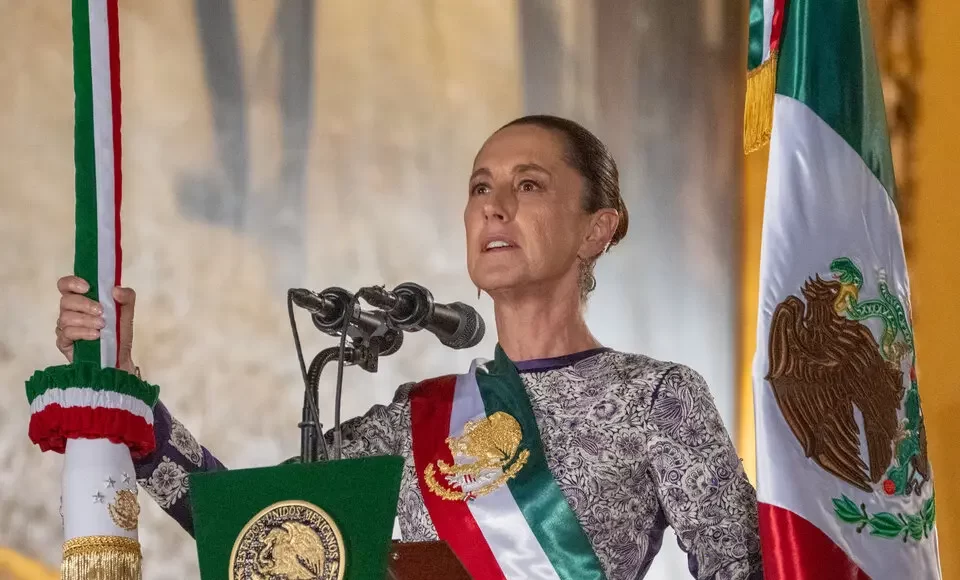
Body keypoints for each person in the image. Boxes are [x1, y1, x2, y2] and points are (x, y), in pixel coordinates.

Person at [54, 115, 762, 579]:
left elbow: (744, 567)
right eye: (480, 187)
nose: (494, 206)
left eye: (529, 185)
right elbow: (252, 527)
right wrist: (120, 386)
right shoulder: (416, 417)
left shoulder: (657, 397)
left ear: (595, 229)